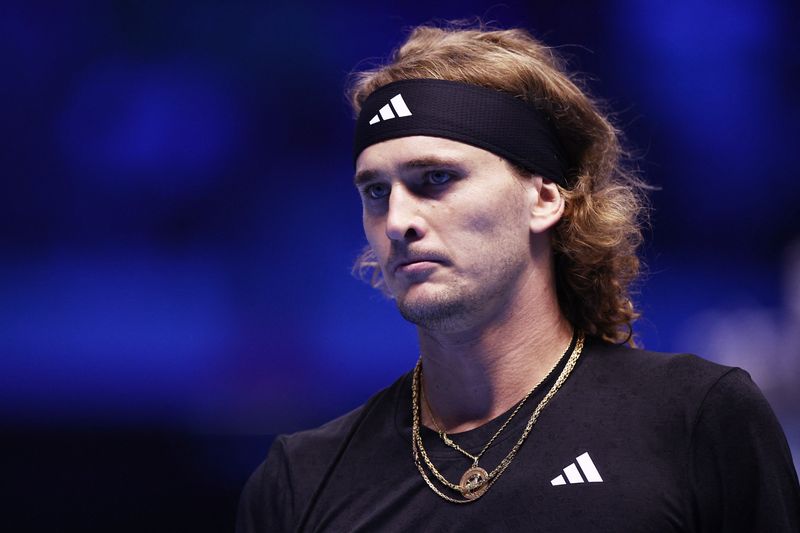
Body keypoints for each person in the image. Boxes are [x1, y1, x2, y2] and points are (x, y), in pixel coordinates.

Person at [237, 22, 800, 532]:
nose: (399, 220)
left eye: (436, 178)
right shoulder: (303, 477)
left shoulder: (696, 417)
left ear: (544, 198)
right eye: (376, 192)